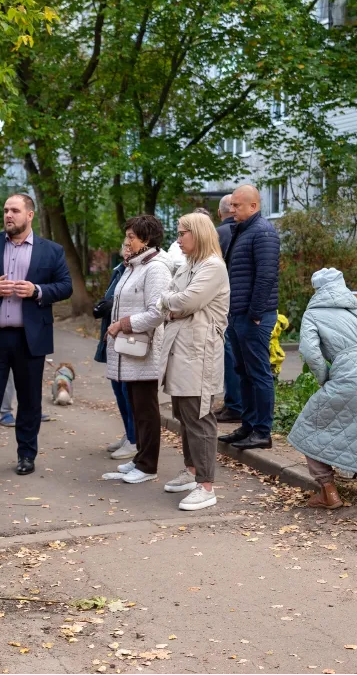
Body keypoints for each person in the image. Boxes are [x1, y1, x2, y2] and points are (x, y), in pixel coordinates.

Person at [0, 194, 73, 479]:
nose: (8, 215)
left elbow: (65, 286)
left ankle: (26, 456)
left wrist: (38, 291)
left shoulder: (51, 250)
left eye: (15, 210)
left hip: (30, 338)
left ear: (29, 215)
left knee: (30, 400)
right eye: (5, 210)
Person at [286, 268, 357, 509]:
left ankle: (327, 490)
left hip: (349, 370)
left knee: (309, 426)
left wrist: (326, 378)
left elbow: (310, 353)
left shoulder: (314, 314)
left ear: (317, 289)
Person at [158, 213, 230, 510]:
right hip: (182, 350)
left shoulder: (212, 267)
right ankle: (191, 472)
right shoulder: (190, 265)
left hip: (198, 354)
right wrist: (172, 305)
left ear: (197, 234)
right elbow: (169, 299)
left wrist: (172, 305)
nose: (177, 239)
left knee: (199, 417)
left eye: (182, 233)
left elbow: (185, 301)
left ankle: (206, 485)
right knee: (184, 414)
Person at [103, 214, 174, 484]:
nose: (127, 241)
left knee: (146, 409)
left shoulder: (155, 268)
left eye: (132, 236)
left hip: (145, 350)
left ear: (146, 239)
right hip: (130, 350)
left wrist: (124, 324)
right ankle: (139, 458)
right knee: (136, 407)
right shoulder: (135, 265)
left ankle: (148, 466)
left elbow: (158, 312)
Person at [217, 184, 280, 451]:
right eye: (231, 205)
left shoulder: (263, 232)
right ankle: (248, 425)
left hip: (253, 316)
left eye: (237, 205)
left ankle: (262, 431)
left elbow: (266, 276)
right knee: (242, 371)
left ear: (253, 206)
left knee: (258, 373)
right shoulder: (241, 230)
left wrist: (255, 314)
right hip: (238, 314)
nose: (232, 210)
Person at [94, 239, 137, 460]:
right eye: (125, 248)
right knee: (117, 387)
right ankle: (128, 433)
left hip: (130, 336)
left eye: (131, 247)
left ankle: (134, 438)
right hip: (112, 334)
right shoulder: (119, 270)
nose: (127, 252)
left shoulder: (143, 271)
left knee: (128, 390)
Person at [214, 194, 242, 423]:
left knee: (229, 353)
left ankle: (234, 404)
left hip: (224, 304)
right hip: (241, 302)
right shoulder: (245, 232)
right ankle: (236, 404)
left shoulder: (219, 234)